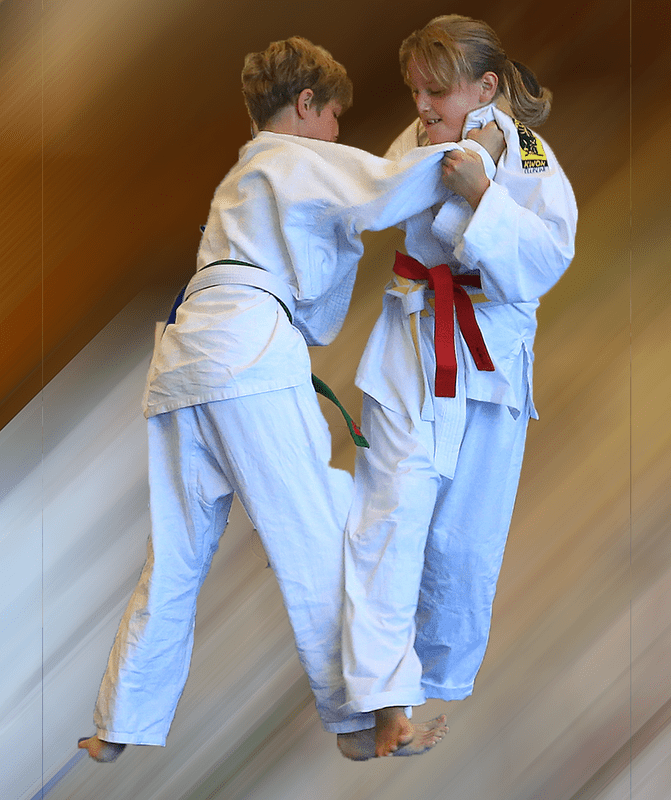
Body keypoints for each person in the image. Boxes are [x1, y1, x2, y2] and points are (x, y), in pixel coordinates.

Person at [77, 35, 468, 763]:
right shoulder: (292, 157)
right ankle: (367, 720)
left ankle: (116, 724)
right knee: (316, 531)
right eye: (333, 116)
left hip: (183, 360)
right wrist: (465, 146)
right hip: (247, 354)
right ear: (306, 103)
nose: (335, 133)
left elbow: (314, 296)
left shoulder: (240, 182)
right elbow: (389, 188)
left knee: (176, 557)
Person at [338, 15, 578, 759]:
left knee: (463, 540)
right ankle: (377, 703)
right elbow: (366, 206)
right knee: (389, 515)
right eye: (415, 90)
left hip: (491, 361)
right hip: (413, 348)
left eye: (435, 92)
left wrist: (483, 196)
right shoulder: (417, 142)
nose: (421, 106)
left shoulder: (529, 154)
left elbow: (547, 260)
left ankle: (427, 682)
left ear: (484, 87)